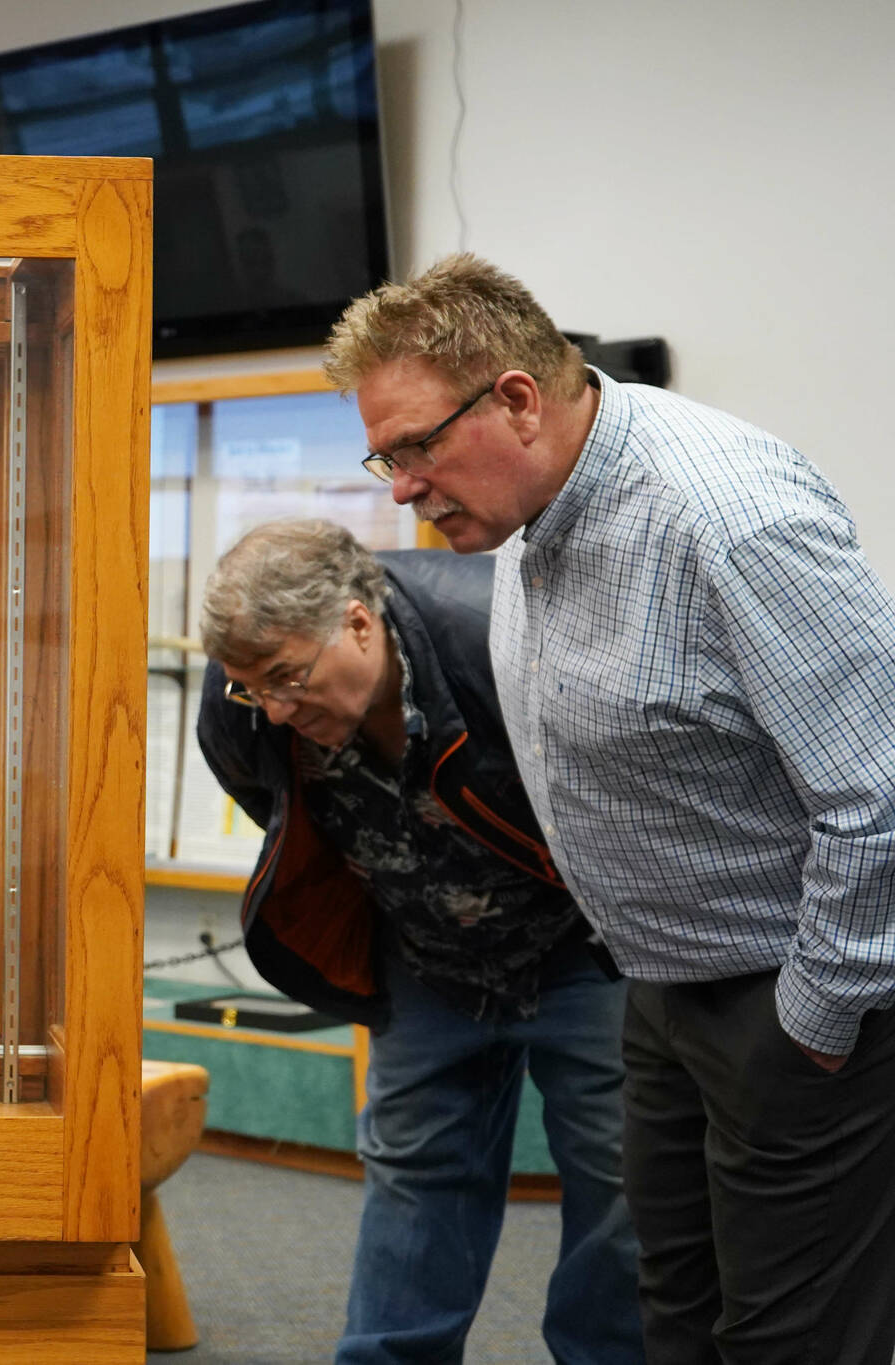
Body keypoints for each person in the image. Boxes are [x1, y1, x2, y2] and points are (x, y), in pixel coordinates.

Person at [325, 252, 895, 1364]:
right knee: (664, 1319)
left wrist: (814, 1022)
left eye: (412, 447)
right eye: (380, 454)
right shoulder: (535, 515)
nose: (397, 486)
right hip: (661, 988)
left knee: (790, 1340)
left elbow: (876, 794)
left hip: (797, 1004)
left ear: (516, 401)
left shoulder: (723, 515)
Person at [196, 518, 642, 1365]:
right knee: (414, 1180)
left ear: (359, 623)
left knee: (626, 1186)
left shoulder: (500, 639)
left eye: (291, 677)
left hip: (582, 947)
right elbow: (277, 810)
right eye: (258, 689)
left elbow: (619, 795)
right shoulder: (244, 704)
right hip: (425, 955)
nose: (280, 709)